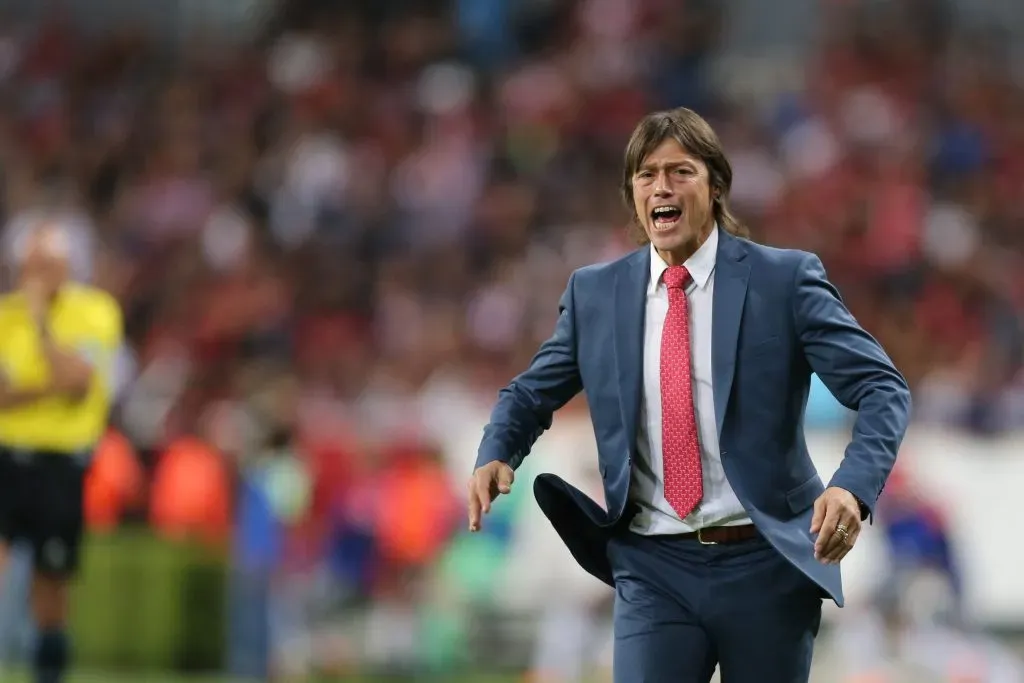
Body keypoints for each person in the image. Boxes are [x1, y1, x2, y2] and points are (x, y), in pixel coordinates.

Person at [467, 107, 912, 683]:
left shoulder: (785, 282)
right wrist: (497, 448)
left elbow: (882, 387)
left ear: (716, 186)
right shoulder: (595, 294)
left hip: (765, 560)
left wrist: (852, 487)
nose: (661, 187)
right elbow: (530, 393)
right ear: (633, 195)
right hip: (653, 564)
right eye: (646, 175)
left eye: (680, 172)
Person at [0, 221, 123, 683]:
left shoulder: (96, 312)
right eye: (31, 264)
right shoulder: (2, 313)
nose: (38, 274)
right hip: (6, 454)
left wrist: (38, 323)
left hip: (60, 462)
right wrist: (47, 386)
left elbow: (77, 384)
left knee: (51, 586)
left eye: (48, 264)